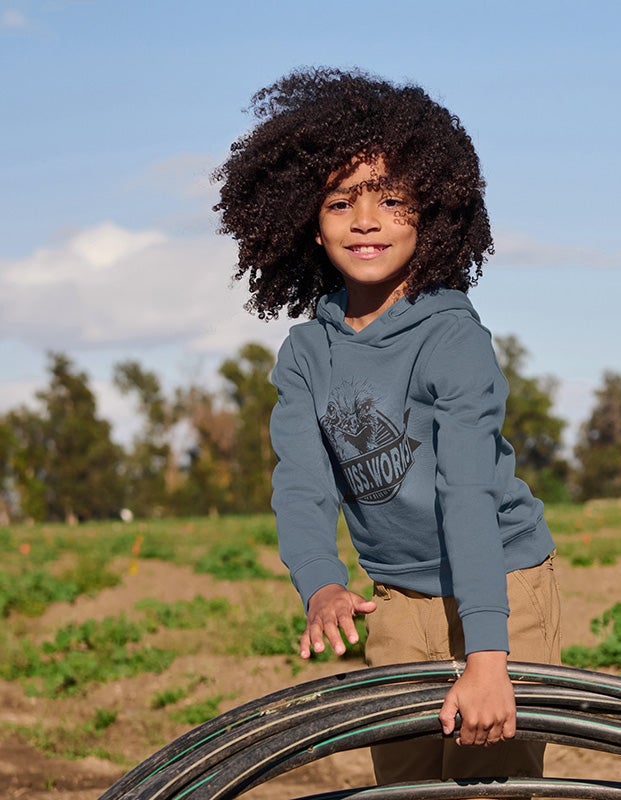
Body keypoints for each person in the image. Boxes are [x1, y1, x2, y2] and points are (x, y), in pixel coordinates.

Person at [213, 67, 561, 784]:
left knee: (491, 785)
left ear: (431, 213)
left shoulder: (451, 335)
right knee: (406, 788)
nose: (364, 220)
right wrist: (321, 586)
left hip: (501, 590)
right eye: (341, 202)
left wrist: (489, 658)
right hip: (397, 601)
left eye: (391, 200)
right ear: (309, 221)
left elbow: (467, 493)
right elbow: (302, 485)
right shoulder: (308, 355)